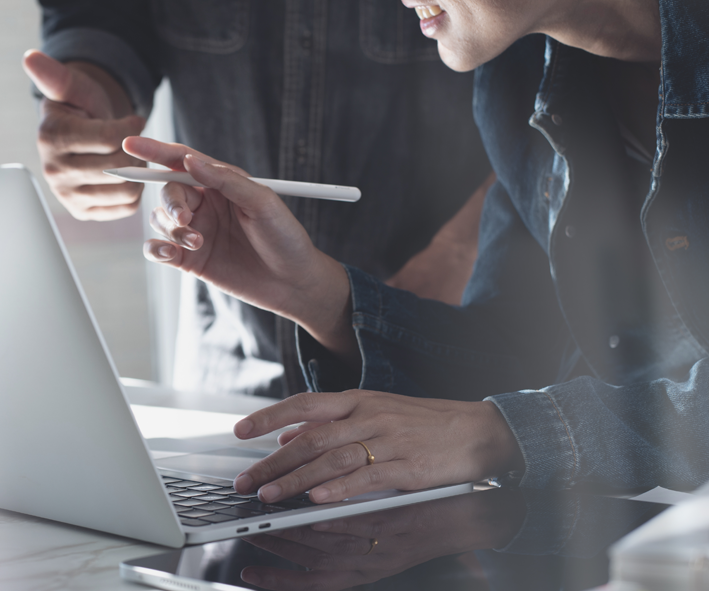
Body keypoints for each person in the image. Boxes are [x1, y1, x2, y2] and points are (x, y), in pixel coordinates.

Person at [129, 0, 709, 502]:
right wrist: (315, 293)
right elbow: (517, 355)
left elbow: (505, 419)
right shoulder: (515, 75)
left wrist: (499, 434)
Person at [25, 1, 493, 398]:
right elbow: (102, 19)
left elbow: (547, 72)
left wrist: (469, 245)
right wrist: (93, 115)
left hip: (439, 346)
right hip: (230, 365)